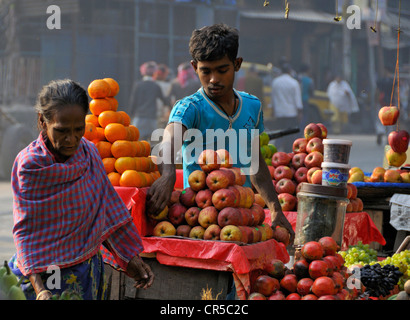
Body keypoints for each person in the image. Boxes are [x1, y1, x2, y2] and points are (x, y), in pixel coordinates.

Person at [146, 23, 294, 243]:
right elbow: (168, 140)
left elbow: (255, 163)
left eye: (222, 70)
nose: (213, 79)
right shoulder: (190, 108)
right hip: (199, 221)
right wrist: (167, 174)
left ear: (237, 64)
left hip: (241, 216)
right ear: (195, 67)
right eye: (206, 71)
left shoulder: (252, 106)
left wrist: (275, 208)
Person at [9, 79, 154, 300]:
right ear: (42, 121)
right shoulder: (30, 165)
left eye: (79, 129)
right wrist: (41, 291)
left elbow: (106, 210)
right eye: (61, 131)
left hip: (86, 272)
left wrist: (129, 257)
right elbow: (26, 232)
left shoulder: (89, 153)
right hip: (43, 274)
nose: (71, 139)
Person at [129, 61, 168, 142]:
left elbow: (133, 102)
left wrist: (130, 116)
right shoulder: (156, 86)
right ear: (154, 72)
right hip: (152, 118)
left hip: (139, 118)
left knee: (137, 143)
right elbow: (165, 101)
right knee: (151, 144)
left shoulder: (138, 85)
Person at [270, 62, 303, 153]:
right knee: (289, 135)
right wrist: (299, 112)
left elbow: (273, 97)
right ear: (289, 71)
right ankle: (287, 153)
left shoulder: (275, 82)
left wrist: (273, 109)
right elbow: (298, 100)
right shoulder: (294, 82)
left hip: (279, 112)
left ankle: (275, 151)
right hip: (291, 113)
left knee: (279, 133)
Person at [298, 63, 314, 128]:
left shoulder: (297, 78)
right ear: (307, 70)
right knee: (304, 117)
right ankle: (301, 131)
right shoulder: (309, 80)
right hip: (305, 100)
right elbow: (311, 91)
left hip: (296, 100)